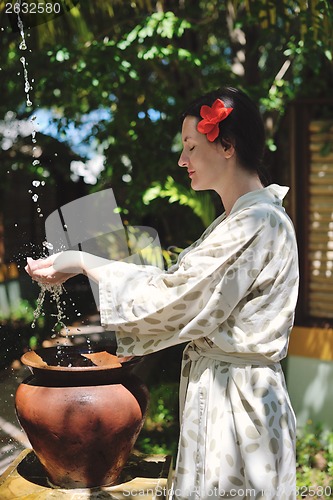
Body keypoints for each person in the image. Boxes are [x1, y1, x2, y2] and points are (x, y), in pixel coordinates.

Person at [26, 87, 299, 500]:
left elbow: (173, 298)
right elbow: (175, 286)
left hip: (239, 406)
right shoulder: (240, 220)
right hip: (230, 391)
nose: (182, 160)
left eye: (190, 146)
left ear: (227, 145)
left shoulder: (256, 222)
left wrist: (84, 263)